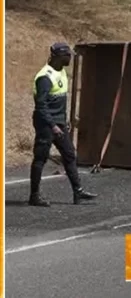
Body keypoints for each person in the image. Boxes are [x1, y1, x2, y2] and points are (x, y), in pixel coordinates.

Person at [30, 43, 98, 207]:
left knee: (69, 155)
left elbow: (59, 101)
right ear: (57, 57)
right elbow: (41, 106)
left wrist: (64, 120)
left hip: (59, 122)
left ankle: (78, 192)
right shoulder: (45, 77)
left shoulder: (61, 73)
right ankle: (34, 196)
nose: (70, 58)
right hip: (46, 124)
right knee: (40, 158)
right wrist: (53, 125)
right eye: (67, 56)